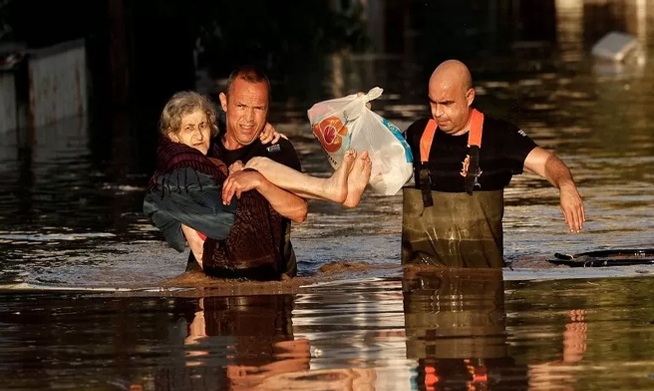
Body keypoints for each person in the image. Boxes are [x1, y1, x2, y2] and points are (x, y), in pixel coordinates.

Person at [144, 89, 371, 280]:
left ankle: (337, 191)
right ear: (173, 136)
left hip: (248, 257)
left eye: (202, 125)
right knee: (256, 166)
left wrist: (250, 174)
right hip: (227, 262)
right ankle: (335, 191)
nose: (199, 134)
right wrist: (243, 174)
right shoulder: (181, 169)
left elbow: (299, 210)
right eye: (189, 128)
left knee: (255, 168)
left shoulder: (209, 155)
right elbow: (201, 240)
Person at [401, 60, 585, 268]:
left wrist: (566, 185)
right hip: (421, 277)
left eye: (446, 104)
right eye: (432, 103)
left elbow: (547, 162)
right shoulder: (417, 135)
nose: (438, 113)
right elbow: (379, 170)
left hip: (483, 277)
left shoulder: (499, 136)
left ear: (469, 96)